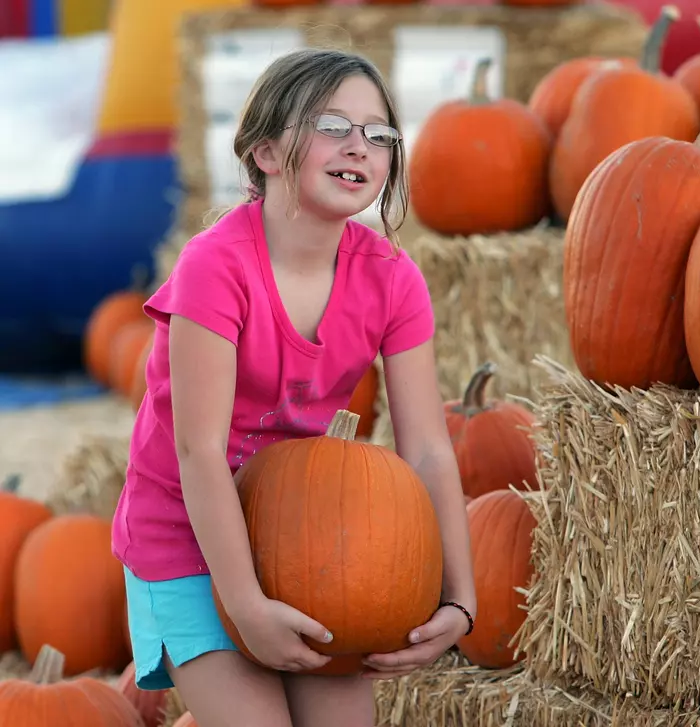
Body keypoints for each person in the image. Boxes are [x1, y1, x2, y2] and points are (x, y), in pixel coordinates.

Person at [110, 48, 476, 727]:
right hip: (186, 536)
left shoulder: (394, 280)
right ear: (267, 154)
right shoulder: (214, 267)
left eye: (380, 133)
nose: (360, 145)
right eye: (334, 125)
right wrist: (246, 607)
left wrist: (459, 600)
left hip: (301, 537)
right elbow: (197, 451)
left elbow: (426, 447)